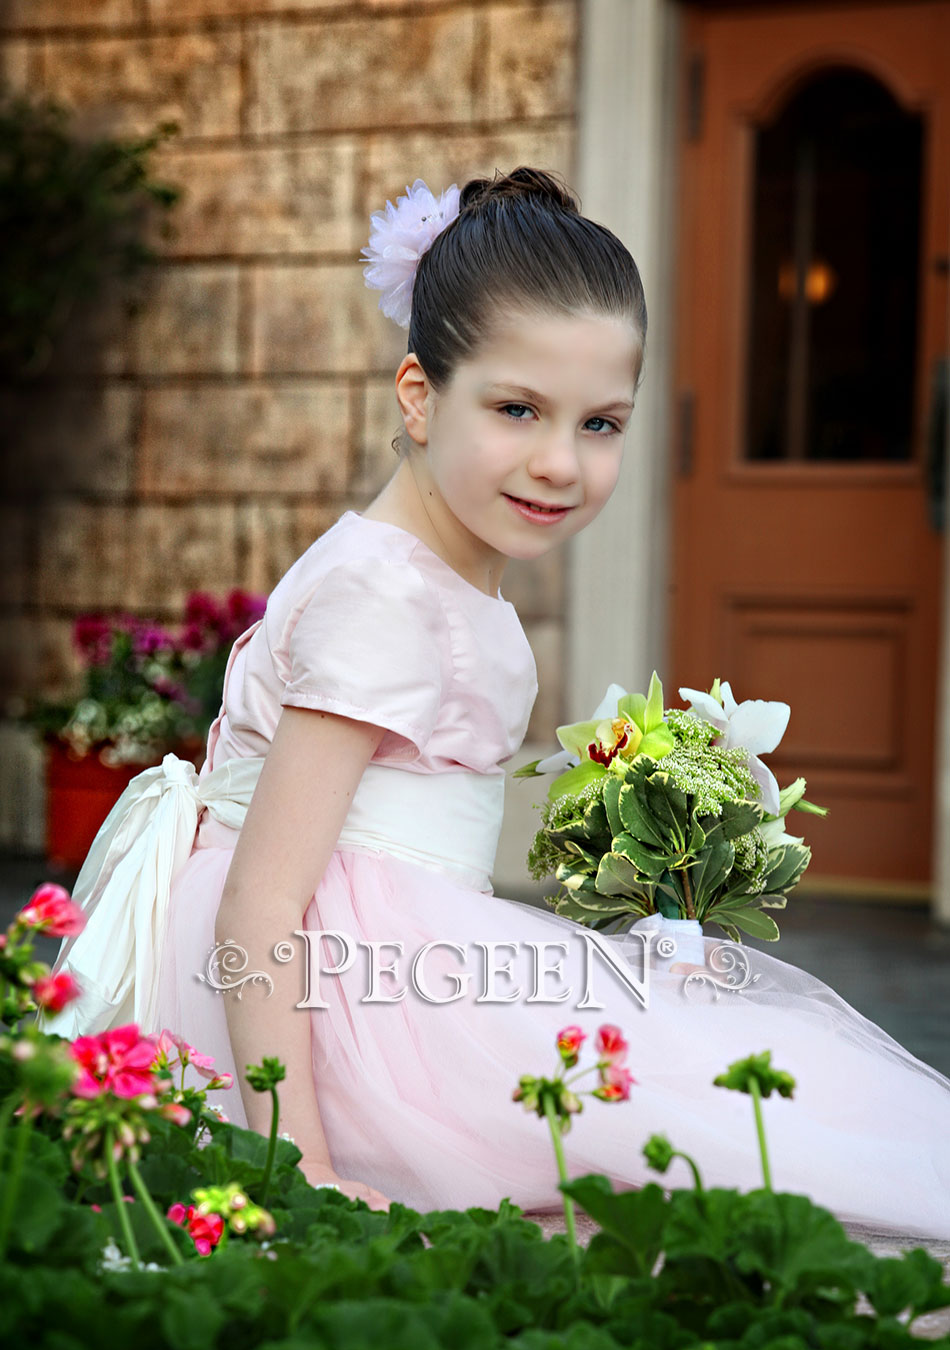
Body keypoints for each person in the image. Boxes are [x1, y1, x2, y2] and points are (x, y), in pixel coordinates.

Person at [40, 167, 950, 1238]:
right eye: (516, 409)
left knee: (728, 1129)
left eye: (599, 423)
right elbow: (259, 906)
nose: (559, 463)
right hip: (332, 1001)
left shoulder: (436, 569)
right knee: (687, 1158)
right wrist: (300, 1159)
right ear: (419, 396)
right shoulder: (381, 597)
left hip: (389, 959)